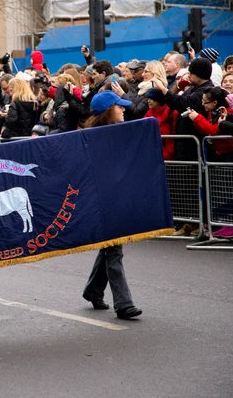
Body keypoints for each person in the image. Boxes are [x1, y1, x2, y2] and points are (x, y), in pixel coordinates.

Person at [82, 91, 142, 320]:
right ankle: (124, 304)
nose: (124, 110)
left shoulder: (119, 133)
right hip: (100, 201)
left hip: (116, 198)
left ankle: (93, 290)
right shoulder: (90, 138)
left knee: (110, 247)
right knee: (114, 249)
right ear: (108, 111)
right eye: (120, 106)